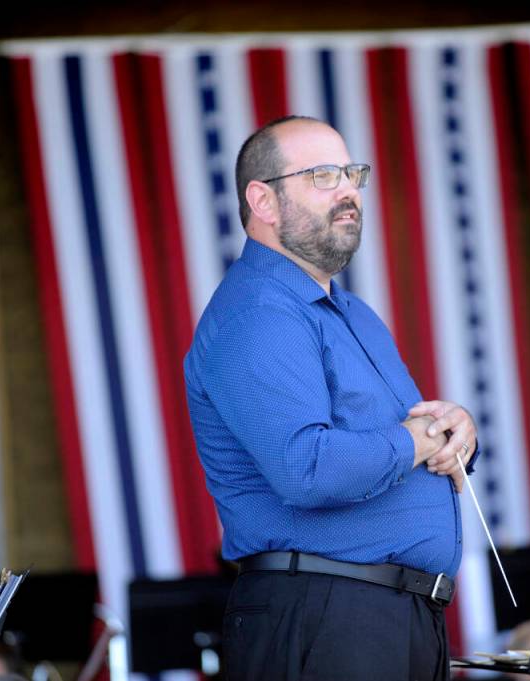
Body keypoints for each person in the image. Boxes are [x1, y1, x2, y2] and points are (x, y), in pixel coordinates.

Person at [184, 115, 479, 681]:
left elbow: (406, 436)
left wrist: (455, 431)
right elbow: (307, 469)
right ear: (262, 201)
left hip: (391, 617)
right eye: (322, 175)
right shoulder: (257, 312)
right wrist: (416, 440)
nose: (347, 190)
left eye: (350, 173)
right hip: (327, 614)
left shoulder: (353, 314)